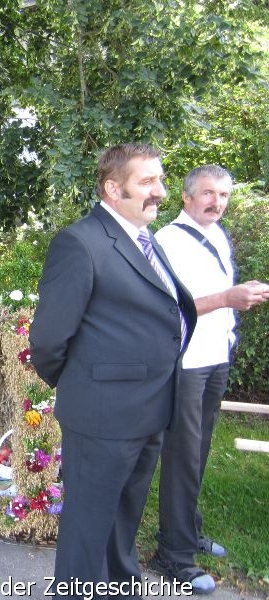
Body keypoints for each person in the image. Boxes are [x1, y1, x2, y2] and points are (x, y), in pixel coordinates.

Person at [29, 143, 197, 594]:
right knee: (88, 527)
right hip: (101, 417)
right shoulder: (80, 243)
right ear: (112, 187)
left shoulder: (145, 240)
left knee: (124, 519)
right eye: (147, 181)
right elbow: (47, 341)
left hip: (149, 411)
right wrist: (86, 387)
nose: (160, 191)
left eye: (160, 180)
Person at [149, 165, 269, 593]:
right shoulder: (167, 242)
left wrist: (238, 298)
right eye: (207, 193)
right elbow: (167, 310)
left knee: (197, 453)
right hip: (186, 363)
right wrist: (227, 298)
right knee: (182, 457)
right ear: (185, 197)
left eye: (223, 194)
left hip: (215, 357)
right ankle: (173, 555)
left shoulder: (217, 234)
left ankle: (188, 531)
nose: (216, 202)